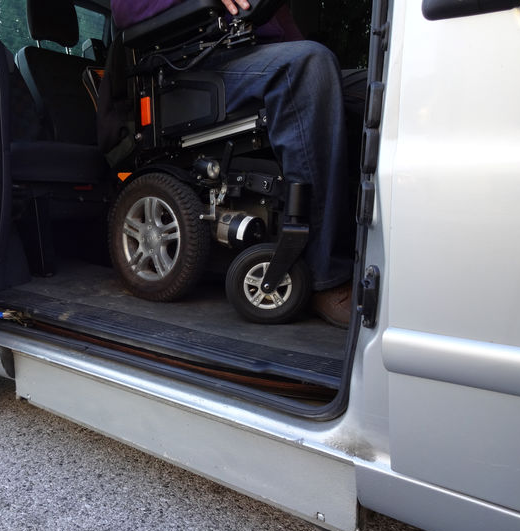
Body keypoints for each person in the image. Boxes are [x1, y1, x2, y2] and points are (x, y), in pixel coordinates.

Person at [110, 0, 354, 327]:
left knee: (375, 85)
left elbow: (281, 28)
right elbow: (125, 10)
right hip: (196, 62)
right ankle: (323, 273)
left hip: (259, 53)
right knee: (310, 64)